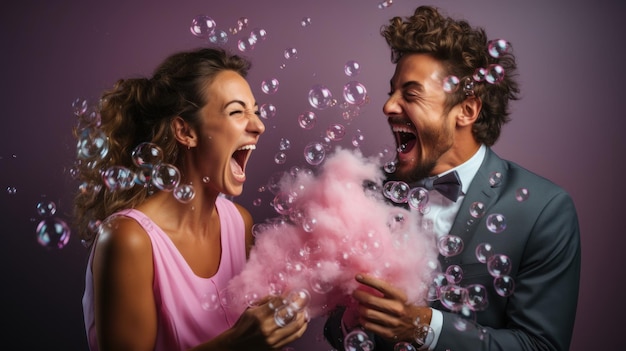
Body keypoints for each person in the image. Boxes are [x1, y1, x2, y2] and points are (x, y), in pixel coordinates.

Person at [324, 5, 580, 351]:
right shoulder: (370, 194)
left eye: (410, 94)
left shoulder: (543, 210)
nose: (388, 107)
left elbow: (541, 346)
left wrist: (424, 327)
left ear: (467, 110)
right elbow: (336, 327)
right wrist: (349, 322)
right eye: (392, 92)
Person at [74, 47, 308, 351]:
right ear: (185, 132)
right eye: (237, 111)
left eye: (257, 111)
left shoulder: (239, 222)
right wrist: (236, 344)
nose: (259, 126)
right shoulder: (128, 239)